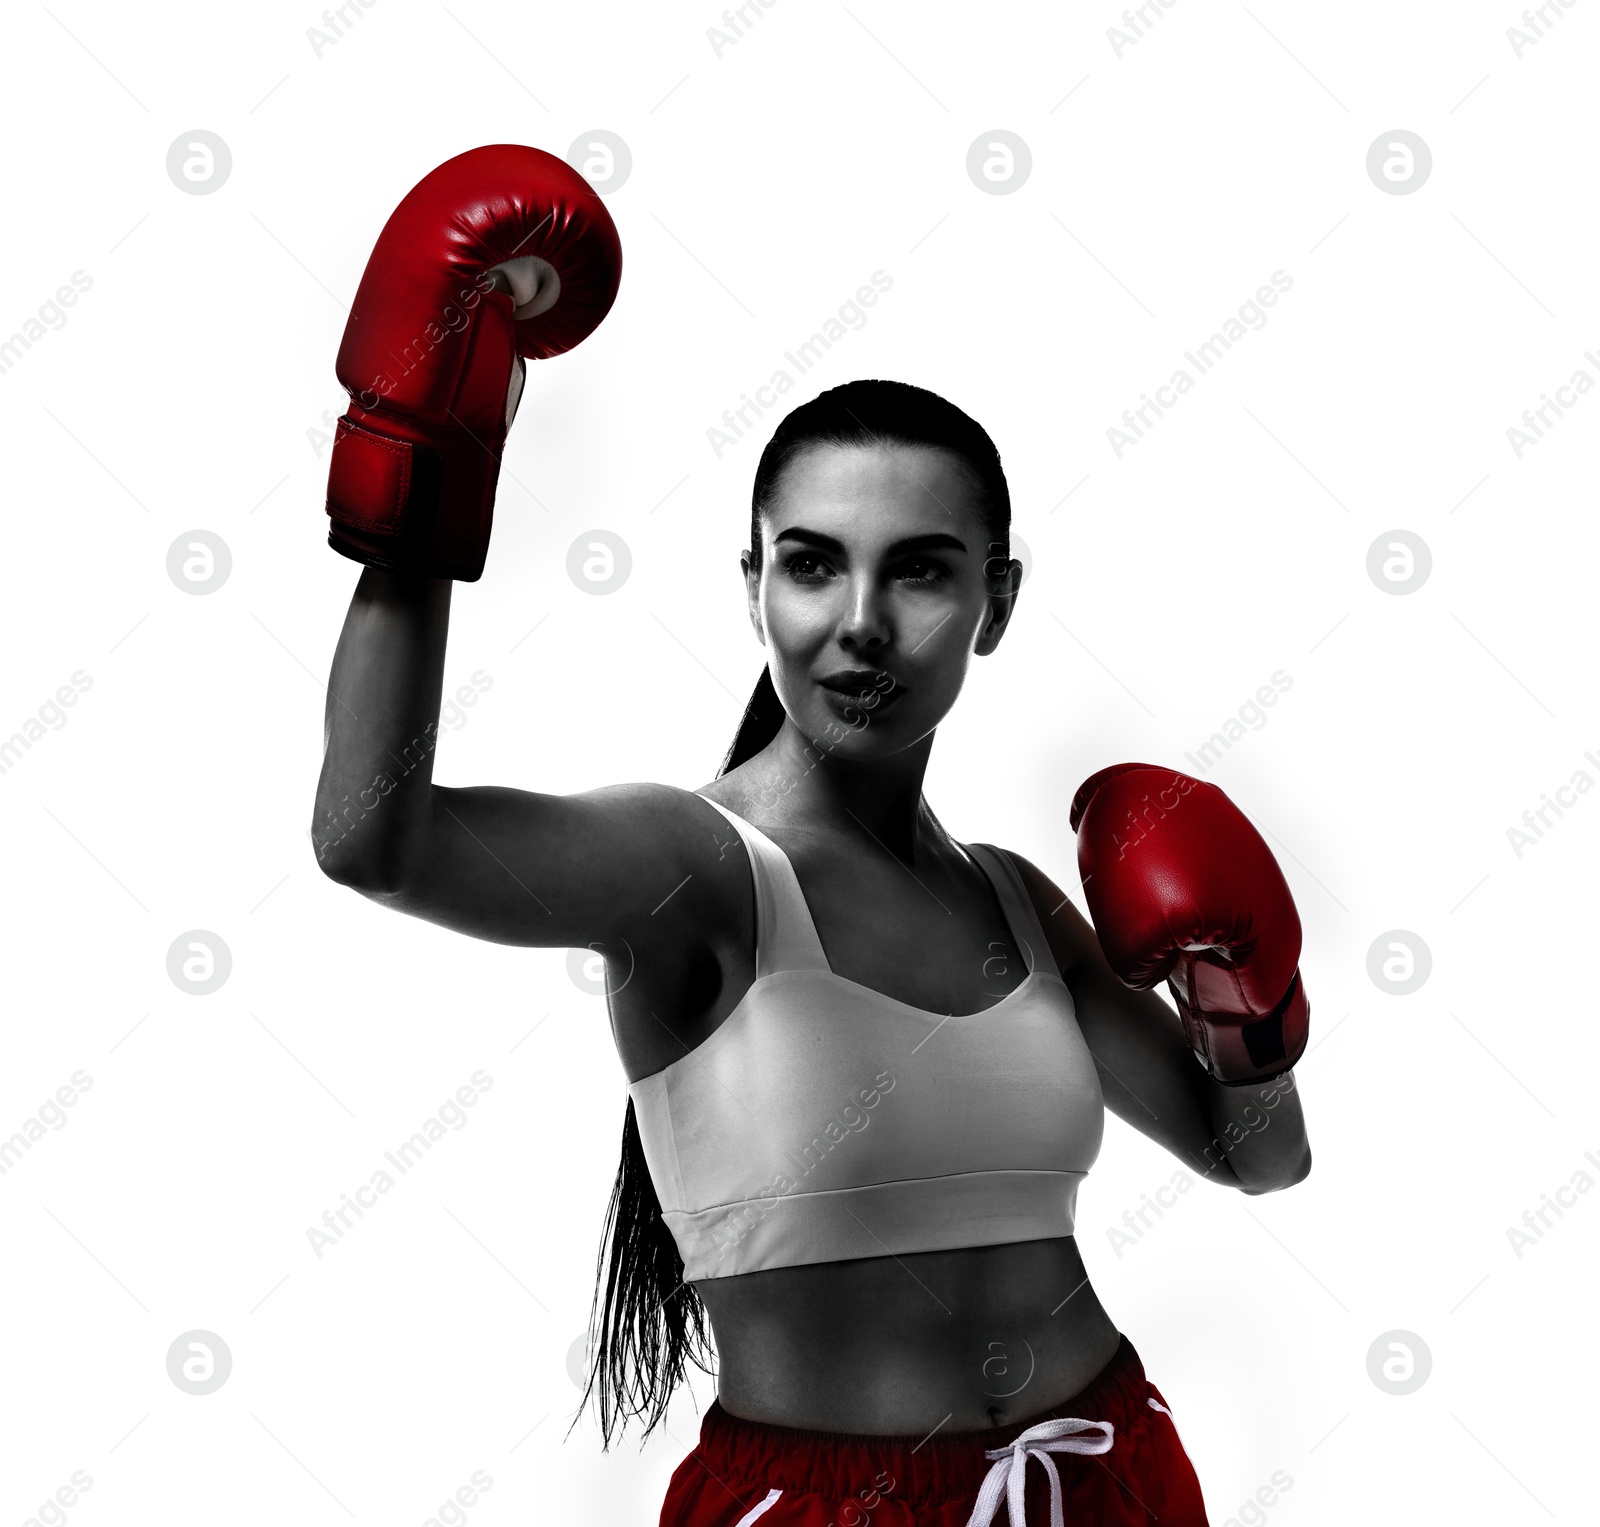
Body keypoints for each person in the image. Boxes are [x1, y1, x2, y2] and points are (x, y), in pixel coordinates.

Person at [313, 147, 1313, 1527]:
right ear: (754, 587)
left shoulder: (1018, 905)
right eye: (811, 562)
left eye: (919, 568)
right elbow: (376, 841)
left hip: (1113, 1473)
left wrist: (1243, 1005)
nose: (859, 621)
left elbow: (1256, 1153)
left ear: (994, 601)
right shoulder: (696, 871)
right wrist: (419, 480)